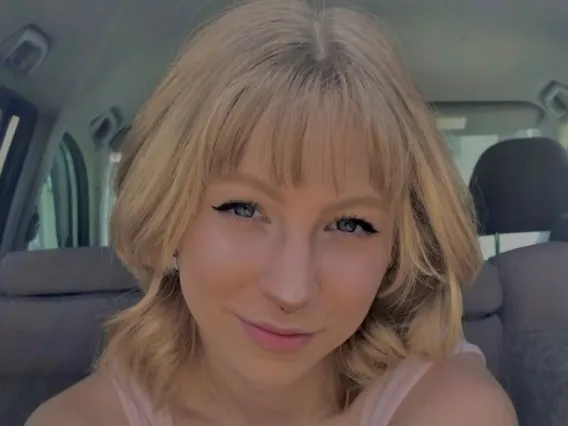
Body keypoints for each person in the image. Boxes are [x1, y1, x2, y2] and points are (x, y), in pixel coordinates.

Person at [27, 1, 517, 425]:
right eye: (244, 208)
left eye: (350, 224)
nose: (291, 290)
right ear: (167, 219)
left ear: (395, 252)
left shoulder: (455, 407)